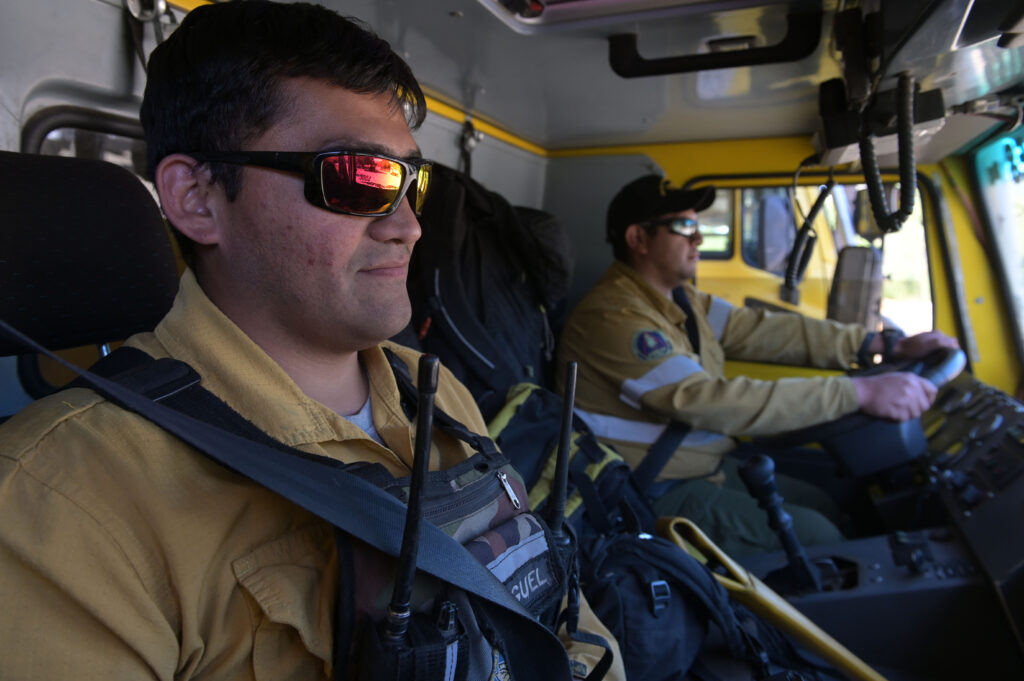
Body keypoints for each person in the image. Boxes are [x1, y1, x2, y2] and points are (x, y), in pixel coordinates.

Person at [0, 2, 622, 680]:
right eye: (360, 177)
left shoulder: (437, 396)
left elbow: (559, 623)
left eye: (413, 181)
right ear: (197, 196)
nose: (410, 227)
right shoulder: (61, 504)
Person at [557, 174, 958, 556]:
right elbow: (712, 400)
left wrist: (875, 344)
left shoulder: (680, 300)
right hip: (649, 489)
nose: (698, 236)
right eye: (682, 225)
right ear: (638, 238)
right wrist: (860, 393)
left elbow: (763, 331)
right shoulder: (614, 317)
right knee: (819, 536)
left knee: (824, 504)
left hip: (702, 466)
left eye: (698, 224)